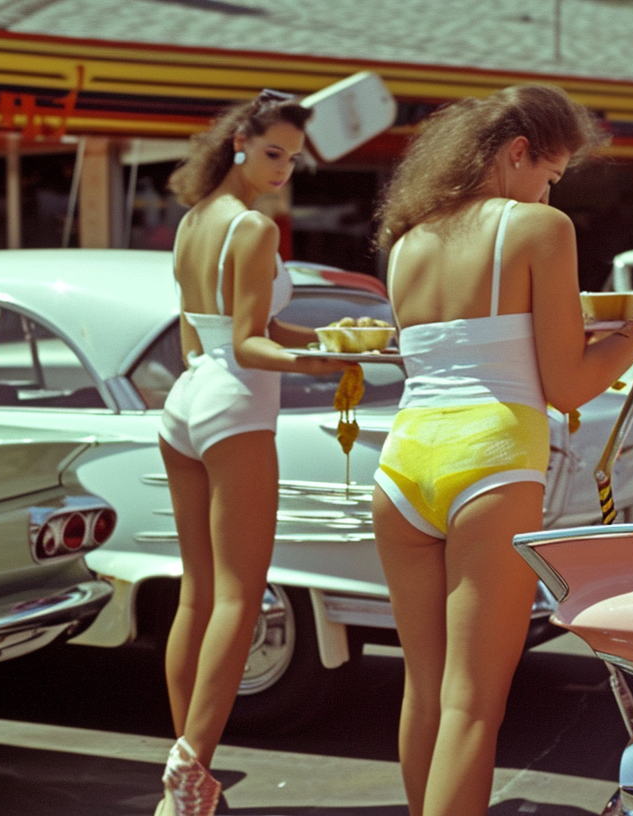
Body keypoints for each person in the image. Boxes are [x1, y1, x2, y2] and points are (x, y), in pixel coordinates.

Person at [370, 84, 633, 815]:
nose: (552, 193)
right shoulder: (536, 232)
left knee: (425, 692)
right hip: (489, 463)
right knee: (472, 707)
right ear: (518, 153)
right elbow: (570, 386)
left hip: (401, 466)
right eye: (552, 175)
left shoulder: (409, 240)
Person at [154, 89, 352, 816]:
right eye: (273, 153)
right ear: (239, 142)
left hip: (186, 401)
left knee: (197, 594)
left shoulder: (192, 221)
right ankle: (188, 771)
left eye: (293, 159)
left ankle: (190, 774)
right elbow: (247, 343)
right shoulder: (254, 229)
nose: (283, 170)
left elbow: (209, 332)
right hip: (235, 404)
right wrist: (318, 367)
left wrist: (323, 338)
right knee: (242, 595)